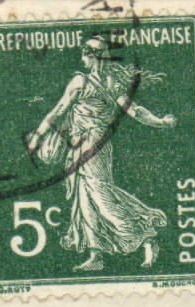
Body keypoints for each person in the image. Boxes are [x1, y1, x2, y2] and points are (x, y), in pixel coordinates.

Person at [26, 35, 177, 272]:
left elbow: (57, 111)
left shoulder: (83, 81)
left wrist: (37, 137)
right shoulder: (110, 82)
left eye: (84, 55)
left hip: (91, 144)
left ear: (90, 55)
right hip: (87, 144)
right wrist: (160, 121)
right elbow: (135, 110)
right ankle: (96, 255)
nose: (82, 59)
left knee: (100, 196)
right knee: (85, 199)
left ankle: (146, 237)